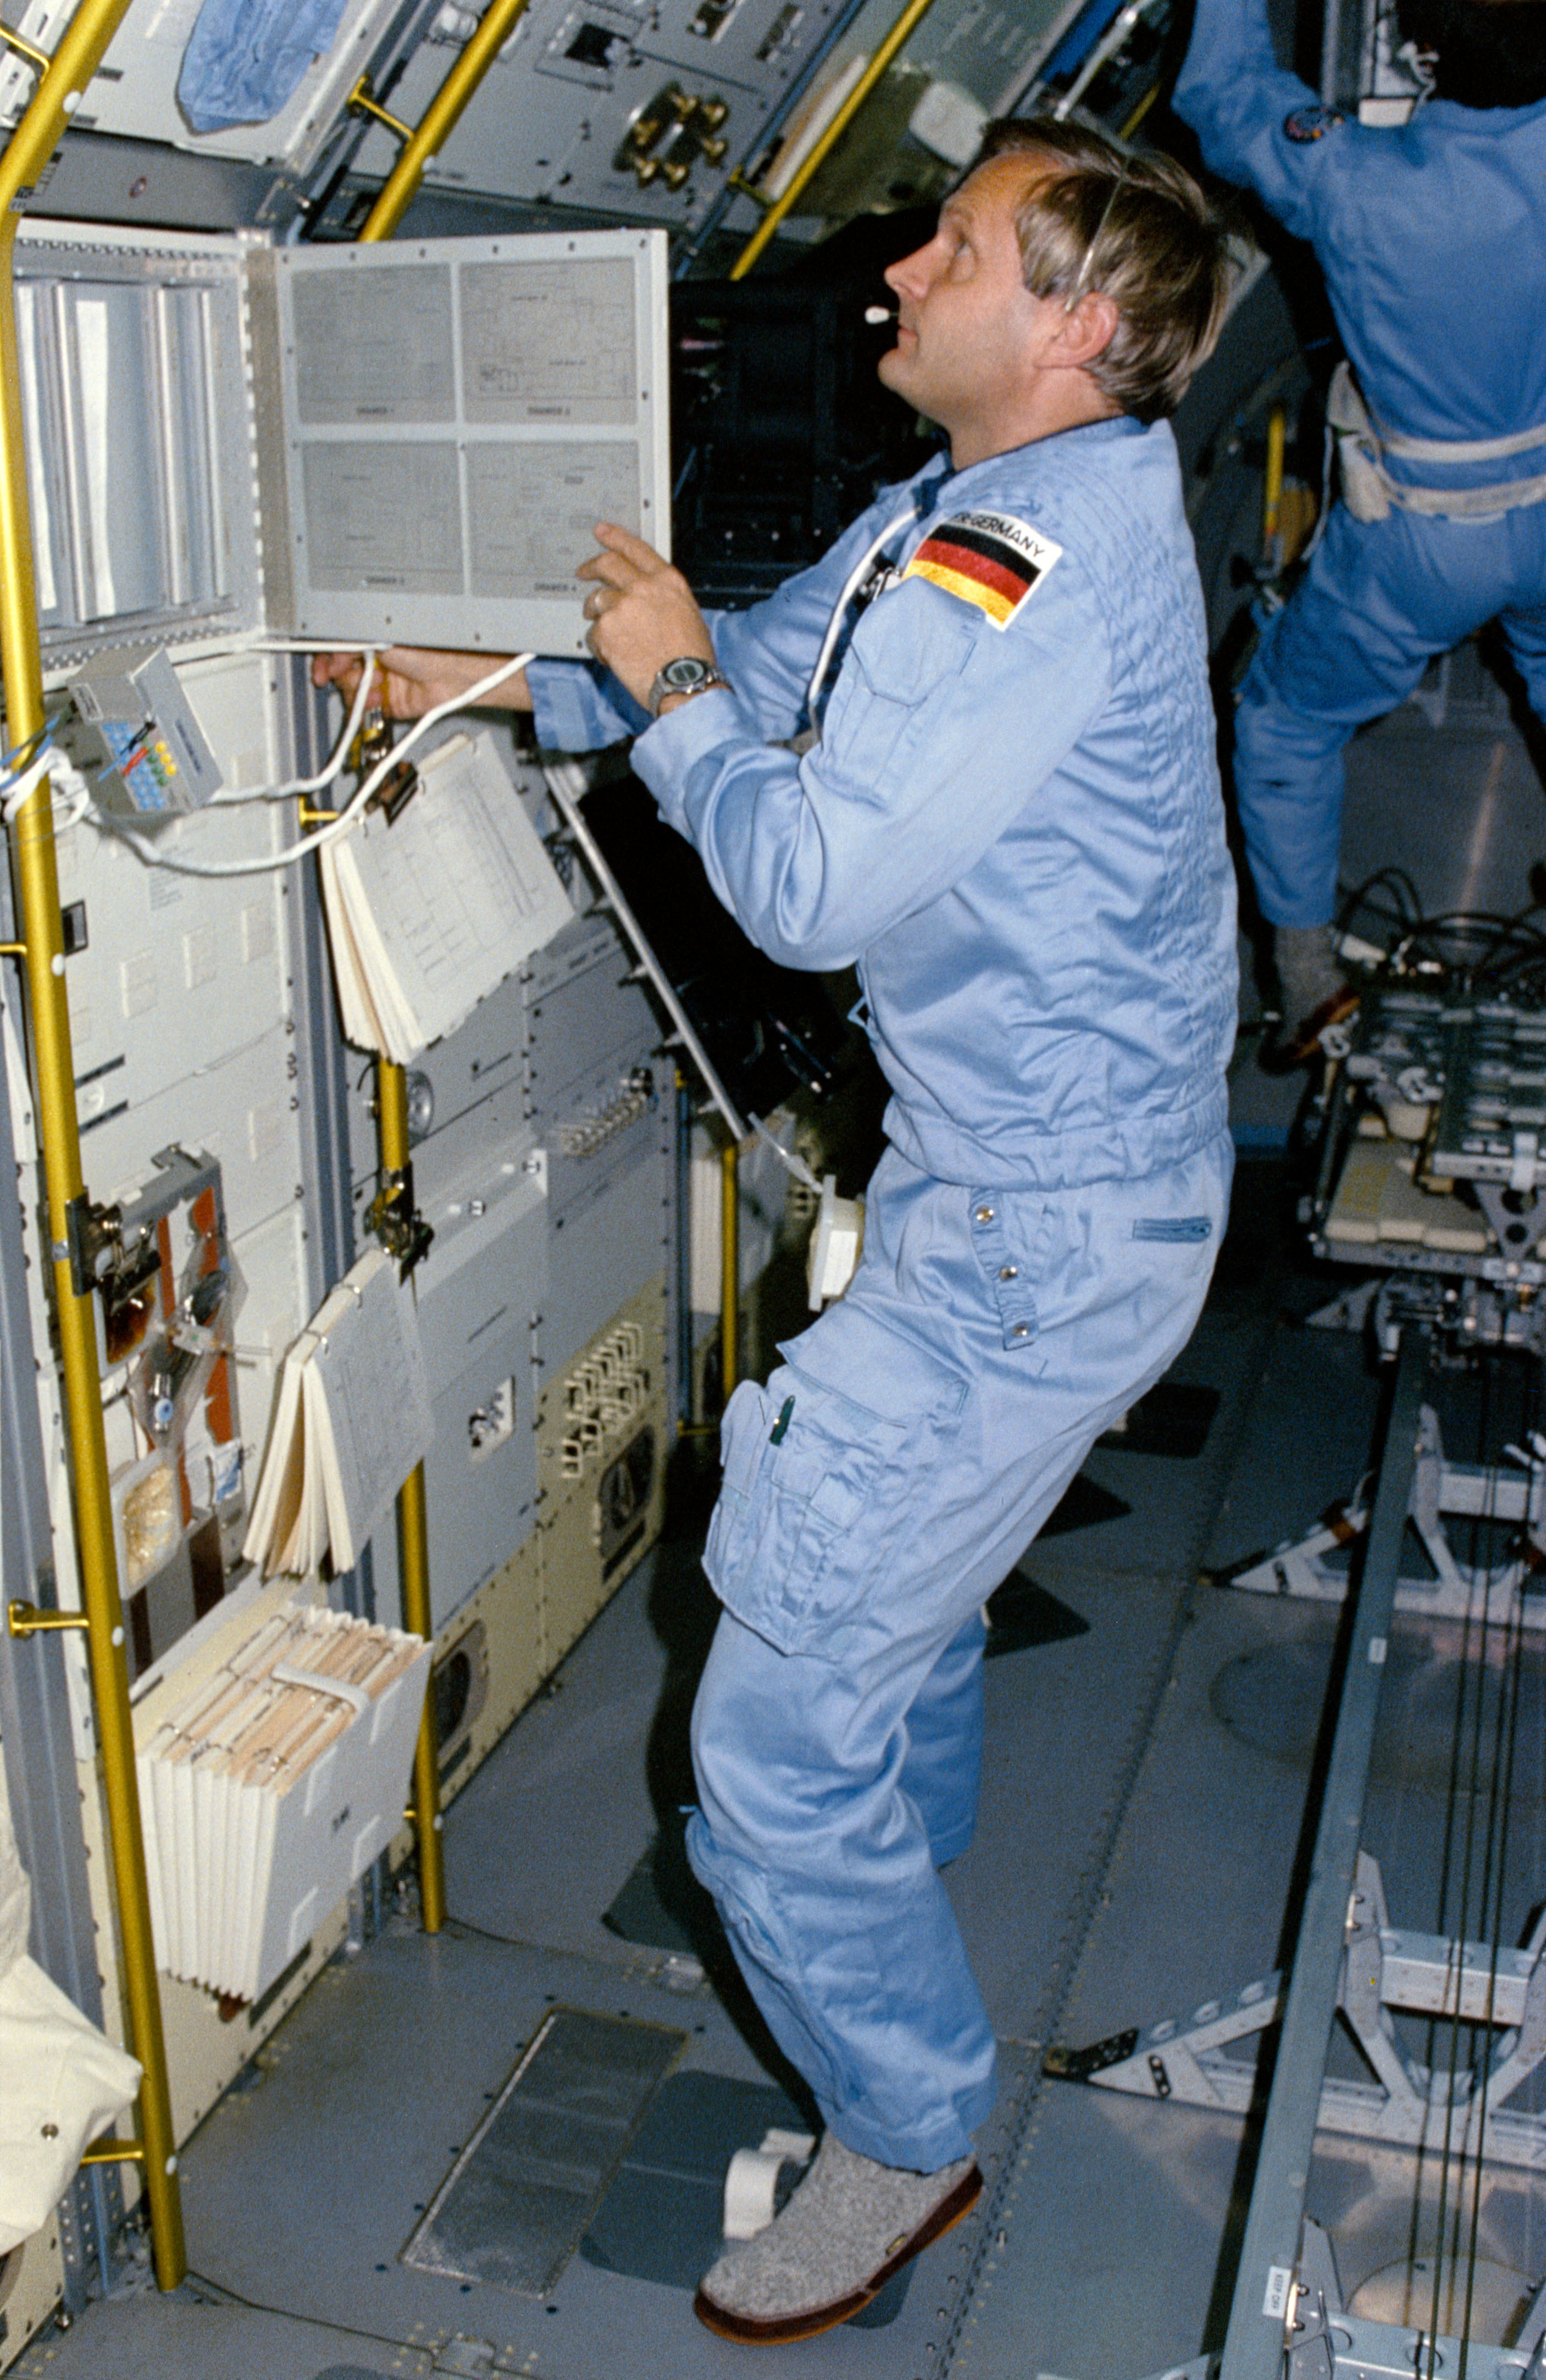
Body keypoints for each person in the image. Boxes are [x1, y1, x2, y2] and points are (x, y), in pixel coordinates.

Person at [314, 115, 1237, 2343]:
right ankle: (875, 1871)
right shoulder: (975, 509)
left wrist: (663, 682)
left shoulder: (1015, 566)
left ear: (1078, 325)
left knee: (760, 1746)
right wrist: (472, 678)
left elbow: (805, 875)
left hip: (1040, 1240)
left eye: (954, 247)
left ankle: (903, 2127)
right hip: (1029, 1197)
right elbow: (753, 659)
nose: (892, 270)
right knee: (876, 1614)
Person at [1174, 0, 1546, 1047]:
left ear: (1417, 45)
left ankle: (1307, 977)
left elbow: (1221, 95)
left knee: (1287, 725)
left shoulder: (1350, 177)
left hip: (1426, 542)